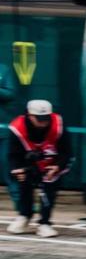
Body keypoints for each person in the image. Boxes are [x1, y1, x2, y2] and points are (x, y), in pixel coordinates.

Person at [6, 99, 73, 237]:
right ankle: (24, 215)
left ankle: (45, 223)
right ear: (29, 116)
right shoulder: (17, 128)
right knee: (24, 182)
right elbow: (14, 154)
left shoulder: (58, 124)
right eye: (39, 119)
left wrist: (57, 166)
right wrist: (18, 169)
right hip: (29, 160)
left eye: (46, 118)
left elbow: (67, 151)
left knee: (49, 186)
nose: (44, 122)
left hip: (53, 161)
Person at [0, 62, 18, 212]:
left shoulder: (3, 69)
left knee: (8, 165)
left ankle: (21, 204)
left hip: (3, 128)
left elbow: (10, 93)